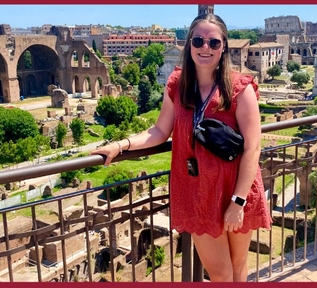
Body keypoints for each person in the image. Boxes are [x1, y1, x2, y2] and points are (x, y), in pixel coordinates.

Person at [90, 13, 272, 282]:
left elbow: (253, 148)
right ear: (189, 45)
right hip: (197, 191)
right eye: (198, 41)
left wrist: (238, 201)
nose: (205, 48)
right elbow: (160, 131)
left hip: (236, 188)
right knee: (220, 272)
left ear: (224, 47)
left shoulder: (239, 88)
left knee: (238, 265)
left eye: (213, 42)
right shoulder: (178, 86)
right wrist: (121, 145)